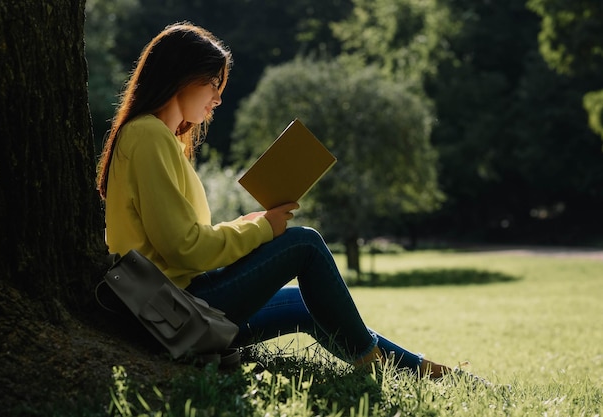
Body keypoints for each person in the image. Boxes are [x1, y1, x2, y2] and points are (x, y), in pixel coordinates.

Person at [96, 22, 451, 378]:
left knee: (304, 302)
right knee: (305, 243)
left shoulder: (159, 139)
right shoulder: (147, 136)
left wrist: (248, 223)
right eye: (214, 84)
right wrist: (263, 229)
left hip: (181, 305)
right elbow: (184, 250)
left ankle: (420, 370)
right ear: (182, 76)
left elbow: (182, 240)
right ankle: (375, 364)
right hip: (174, 313)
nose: (217, 99)